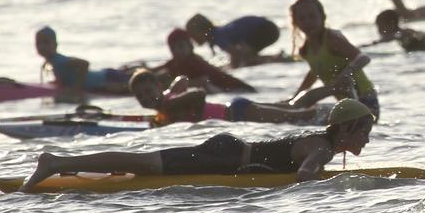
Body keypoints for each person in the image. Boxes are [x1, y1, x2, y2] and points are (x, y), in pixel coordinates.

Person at [18, 98, 375, 192]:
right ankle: (57, 162)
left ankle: (69, 165)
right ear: (346, 129)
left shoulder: (325, 145)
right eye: (363, 131)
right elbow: (304, 175)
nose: (367, 139)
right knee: (142, 163)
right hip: (224, 157)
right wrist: (340, 185)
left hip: (228, 152)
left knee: (140, 164)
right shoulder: (324, 148)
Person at [289, 0, 379, 119]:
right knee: (300, 110)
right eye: (302, 18)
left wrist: (347, 73)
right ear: (295, 22)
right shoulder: (305, 49)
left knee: (306, 113)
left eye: (312, 16)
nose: (308, 22)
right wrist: (295, 96)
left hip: (366, 103)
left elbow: (363, 58)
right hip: (345, 104)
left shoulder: (332, 39)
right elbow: (315, 72)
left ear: (322, 17)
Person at [129, 69, 323, 126]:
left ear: (158, 87)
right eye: (140, 96)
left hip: (237, 112)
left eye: (148, 92)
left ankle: (325, 114)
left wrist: (196, 119)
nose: (145, 98)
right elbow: (182, 79)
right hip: (237, 110)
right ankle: (321, 108)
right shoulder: (168, 98)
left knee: (293, 116)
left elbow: (199, 94)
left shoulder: (170, 104)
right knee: (290, 108)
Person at [34, 26, 133, 103]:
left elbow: (84, 64)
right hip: (104, 77)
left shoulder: (59, 60)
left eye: (46, 42)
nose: (42, 46)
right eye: (38, 43)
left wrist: (76, 88)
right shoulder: (52, 62)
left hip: (107, 78)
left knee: (132, 87)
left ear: (55, 45)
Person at [153, 28, 256, 93]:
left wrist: (172, 86)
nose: (177, 51)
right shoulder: (177, 61)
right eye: (173, 48)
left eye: (180, 46)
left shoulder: (192, 62)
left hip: (237, 88)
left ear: (190, 46)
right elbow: (161, 67)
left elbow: (203, 81)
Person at [185, 14, 281, 68]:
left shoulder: (217, 36)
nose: (192, 39)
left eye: (192, 35)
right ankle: (274, 58)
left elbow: (235, 53)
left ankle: (276, 59)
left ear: (202, 31)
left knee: (244, 57)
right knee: (246, 56)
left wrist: (232, 69)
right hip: (268, 27)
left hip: (266, 29)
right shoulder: (218, 33)